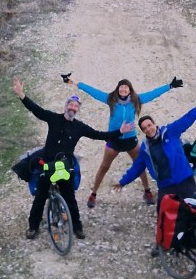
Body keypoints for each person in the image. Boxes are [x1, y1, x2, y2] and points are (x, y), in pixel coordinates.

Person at [13, 77, 133, 241]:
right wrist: (21, 95)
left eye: (76, 106)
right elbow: (36, 110)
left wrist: (120, 131)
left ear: (78, 110)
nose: (73, 107)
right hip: (47, 164)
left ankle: (77, 227)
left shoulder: (79, 127)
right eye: (71, 104)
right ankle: (33, 227)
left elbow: (99, 135)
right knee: (40, 197)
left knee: (70, 199)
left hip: (65, 166)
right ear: (66, 106)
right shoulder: (53, 118)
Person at [63, 75, 184, 208]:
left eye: (126, 87)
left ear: (130, 90)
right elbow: (94, 92)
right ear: (118, 89)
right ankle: (93, 194)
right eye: (121, 87)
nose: (123, 89)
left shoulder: (136, 100)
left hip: (130, 140)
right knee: (104, 167)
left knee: (140, 166)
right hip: (114, 139)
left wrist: (169, 86)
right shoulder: (111, 100)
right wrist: (74, 82)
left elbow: (152, 94)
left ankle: (147, 191)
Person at [113, 89, 196, 210]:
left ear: (155, 124)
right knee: (164, 214)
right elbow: (137, 167)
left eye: (149, 125)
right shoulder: (145, 149)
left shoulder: (171, 131)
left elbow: (189, 117)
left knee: (193, 211)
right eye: (144, 128)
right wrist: (123, 182)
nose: (148, 129)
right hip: (166, 185)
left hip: (184, 179)